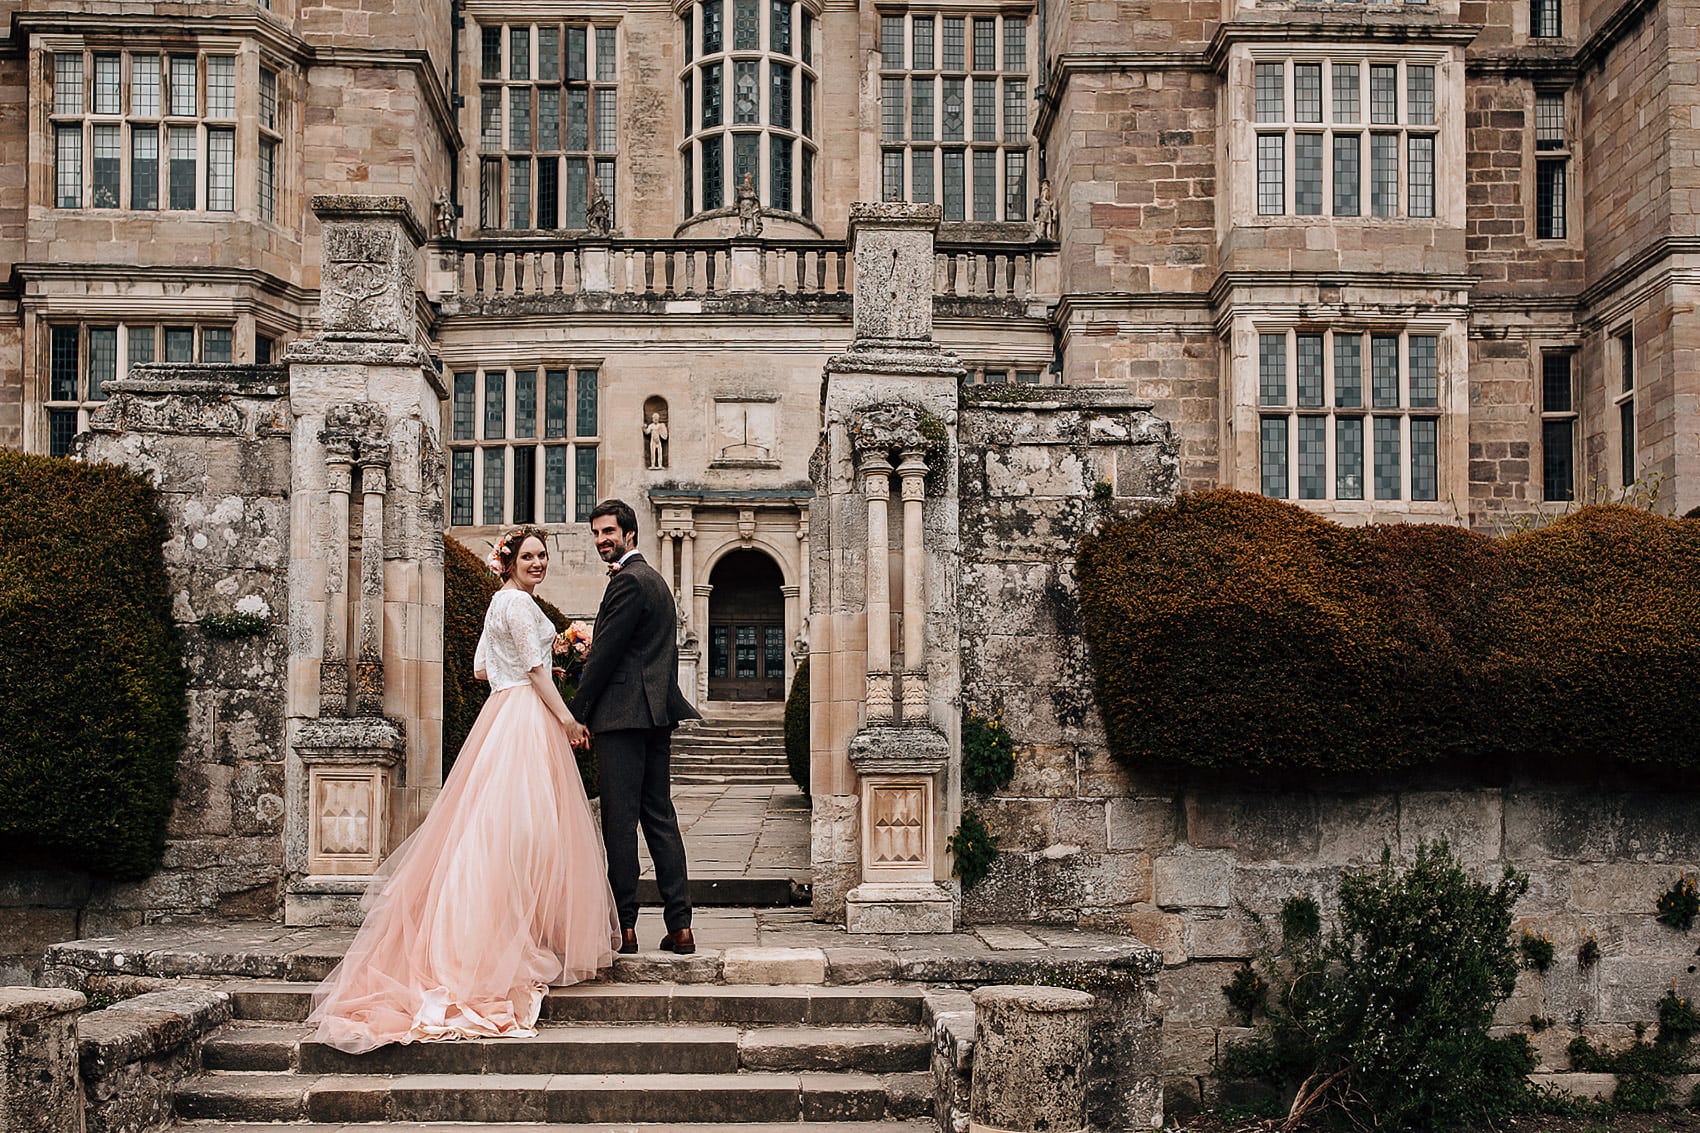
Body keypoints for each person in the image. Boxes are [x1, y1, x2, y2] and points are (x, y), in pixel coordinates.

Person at [307, 525, 619, 1054]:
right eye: (529, 556)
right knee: (529, 832)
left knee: (494, 830)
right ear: (510, 560)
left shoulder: (501, 602)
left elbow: (479, 667)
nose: (538, 563)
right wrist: (566, 717)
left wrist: (524, 669)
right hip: (525, 716)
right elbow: (535, 672)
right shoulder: (518, 606)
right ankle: (509, 943)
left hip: (501, 712)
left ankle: (499, 935)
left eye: (543, 556)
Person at [571, 499, 702, 954]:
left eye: (608, 531)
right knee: (660, 818)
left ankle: (625, 928)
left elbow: (605, 656)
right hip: (655, 716)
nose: (601, 540)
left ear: (630, 533)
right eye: (596, 533)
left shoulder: (627, 582)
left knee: (620, 824)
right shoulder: (657, 581)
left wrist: (577, 711)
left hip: (622, 718)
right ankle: (680, 926)